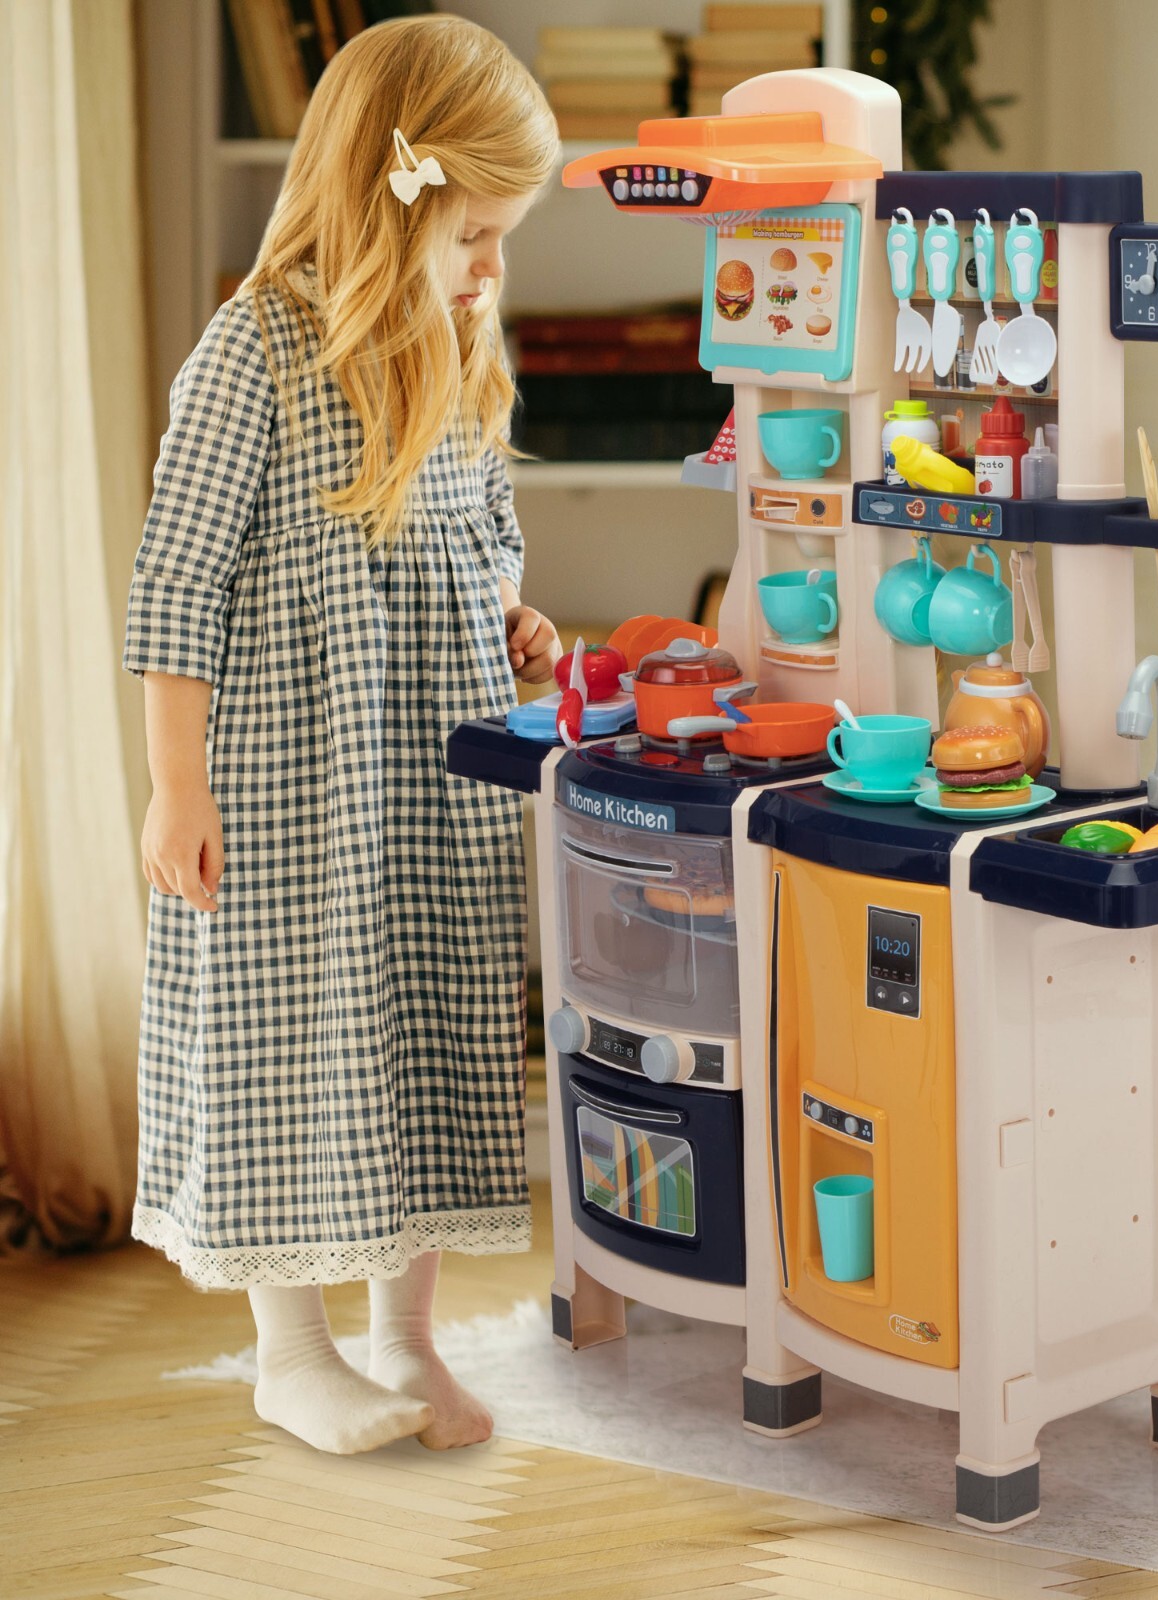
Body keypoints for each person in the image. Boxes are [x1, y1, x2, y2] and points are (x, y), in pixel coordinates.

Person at [122, 16, 561, 1455]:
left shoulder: (458, 344)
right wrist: (175, 785)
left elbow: (481, 531)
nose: (489, 269)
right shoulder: (251, 349)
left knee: (424, 1029)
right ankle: (291, 1350)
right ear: (392, 197)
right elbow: (177, 581)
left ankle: (404, 1337)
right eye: (473, 234)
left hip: (429, 771)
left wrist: (515, 619)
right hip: (288, 781)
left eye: (502, 242)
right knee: (289, 1037)